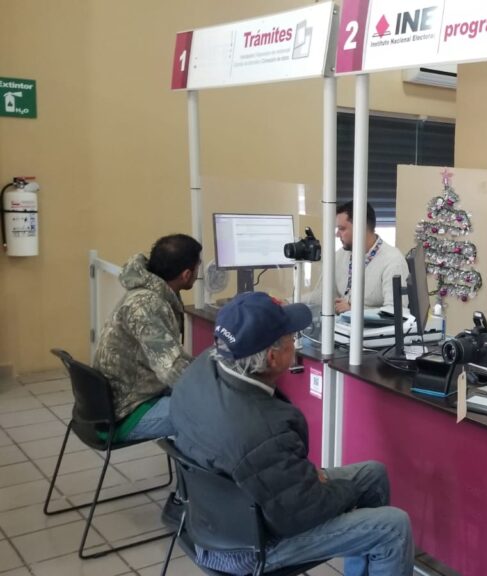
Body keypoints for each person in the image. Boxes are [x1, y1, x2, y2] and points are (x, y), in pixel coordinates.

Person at [170, 292, 413, 576]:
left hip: (211, 517)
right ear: (272, 357)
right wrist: (336, 490)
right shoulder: (264, 431)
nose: (295, 344)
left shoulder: (200, 370)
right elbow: (303, 513)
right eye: (291, 339)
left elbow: (274, 475)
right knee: (394, 526)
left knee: (374, 473)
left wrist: (306, 479)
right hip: (247, 547)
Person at [93, 233, 201, 441]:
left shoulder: (150, 293)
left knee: (209, 398)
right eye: (198, 267)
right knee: (215, 411)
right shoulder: (146, 306)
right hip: (126, 412)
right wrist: (217, 388)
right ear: (186, 274)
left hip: (131, 395)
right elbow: (172, 370)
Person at [330, 201, 409, 314]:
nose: (337, 234)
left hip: (370, 325)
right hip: (341, 323)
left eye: (342, 229)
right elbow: (322, 294)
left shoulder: (393, 261)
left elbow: (395, 312)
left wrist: (354, 311)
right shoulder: (340, 255)